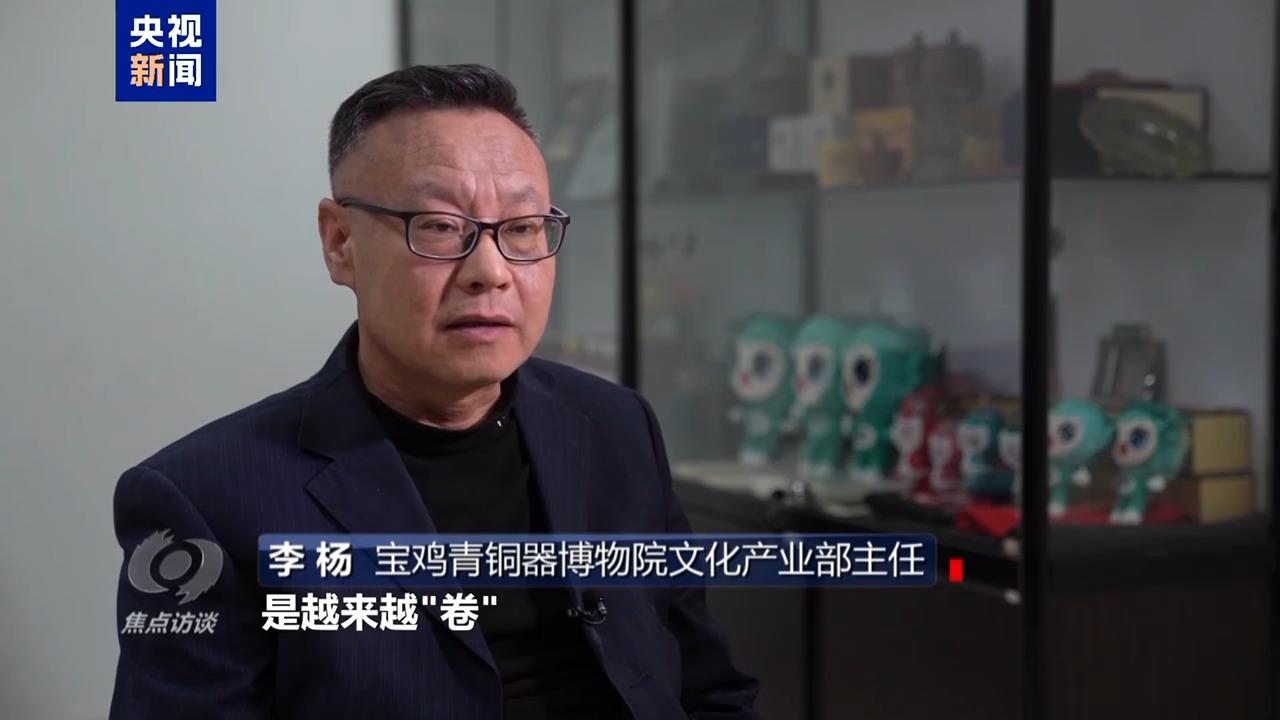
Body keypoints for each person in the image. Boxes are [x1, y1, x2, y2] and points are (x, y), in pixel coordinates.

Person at [109, 64, 760, 720]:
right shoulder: (203, 499)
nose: (490, 272)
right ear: (340, 242)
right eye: (441, 226)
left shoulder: (618, 427)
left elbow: (710, 691)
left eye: (523, 227)